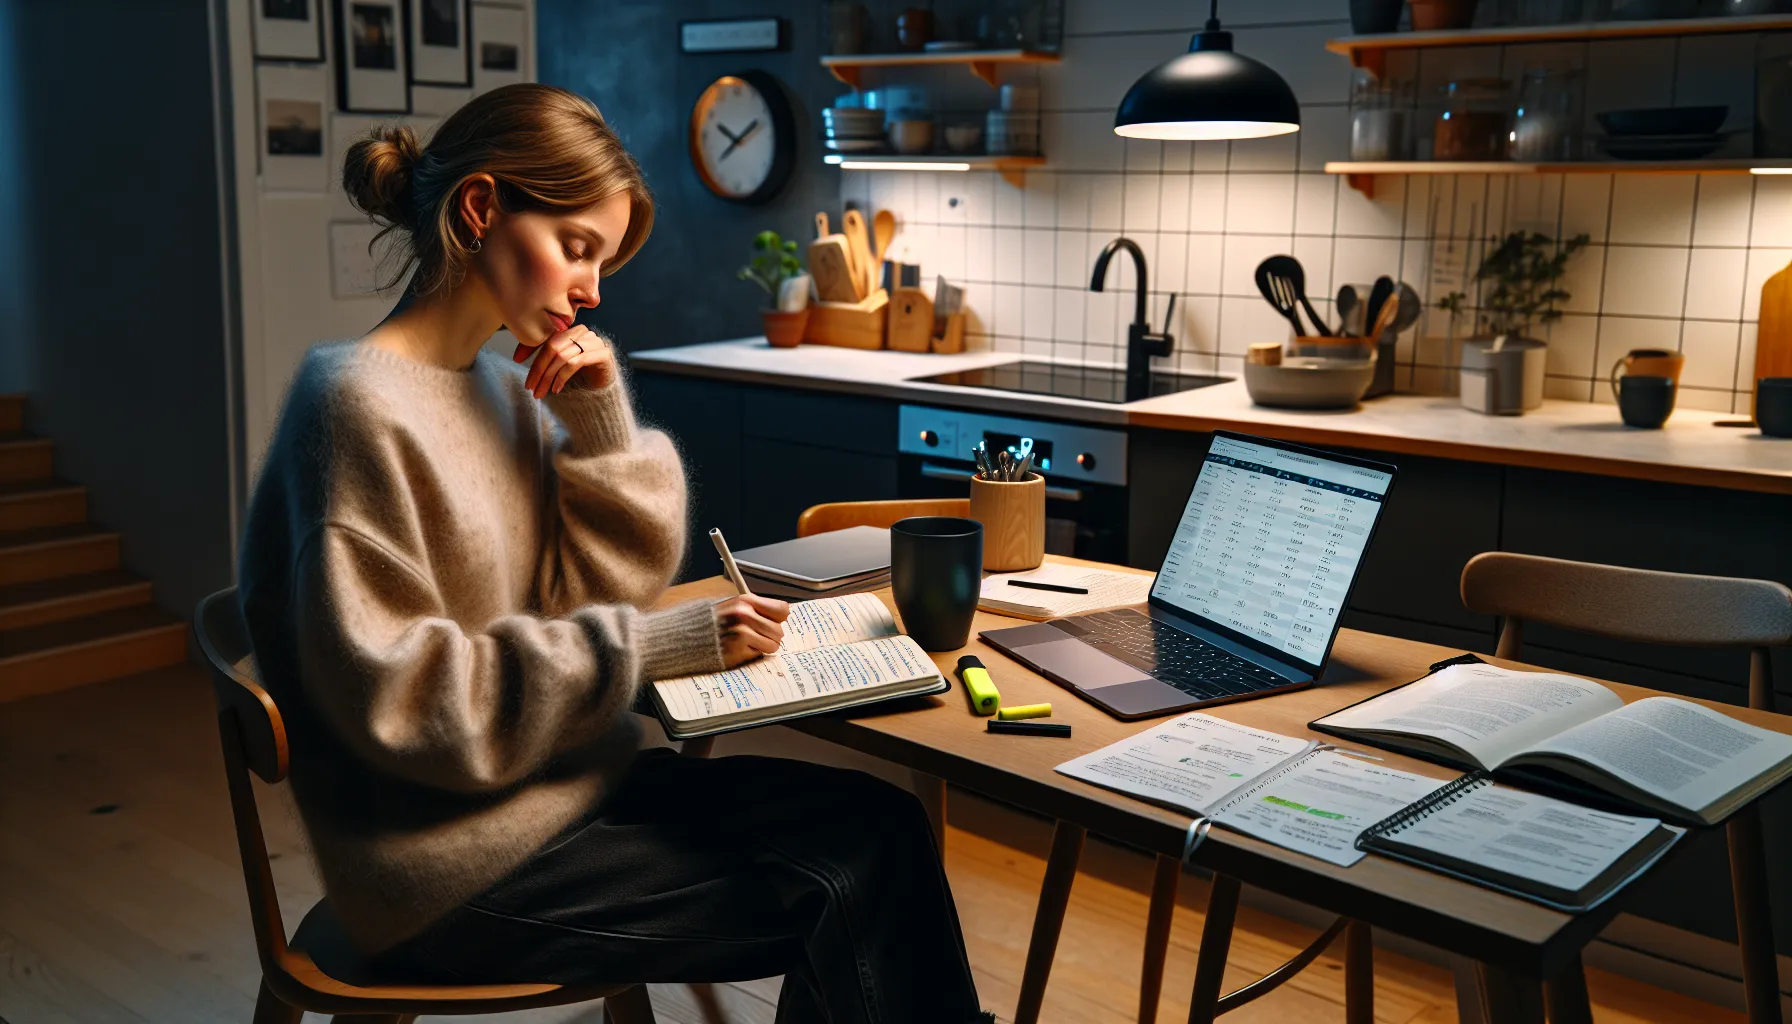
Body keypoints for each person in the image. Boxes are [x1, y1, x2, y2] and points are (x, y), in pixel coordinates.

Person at [236, 83, 989, 1024]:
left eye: (602, 260)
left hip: (555, 790)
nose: (593, 289)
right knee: (851, 873)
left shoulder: (498, 394)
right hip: (444, 866)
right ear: (480, 211)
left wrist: (595, 421)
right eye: (578, 247)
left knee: (885, 823)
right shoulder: (353, 411)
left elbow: (593, 600)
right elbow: (410, 704)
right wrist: (650, 649)